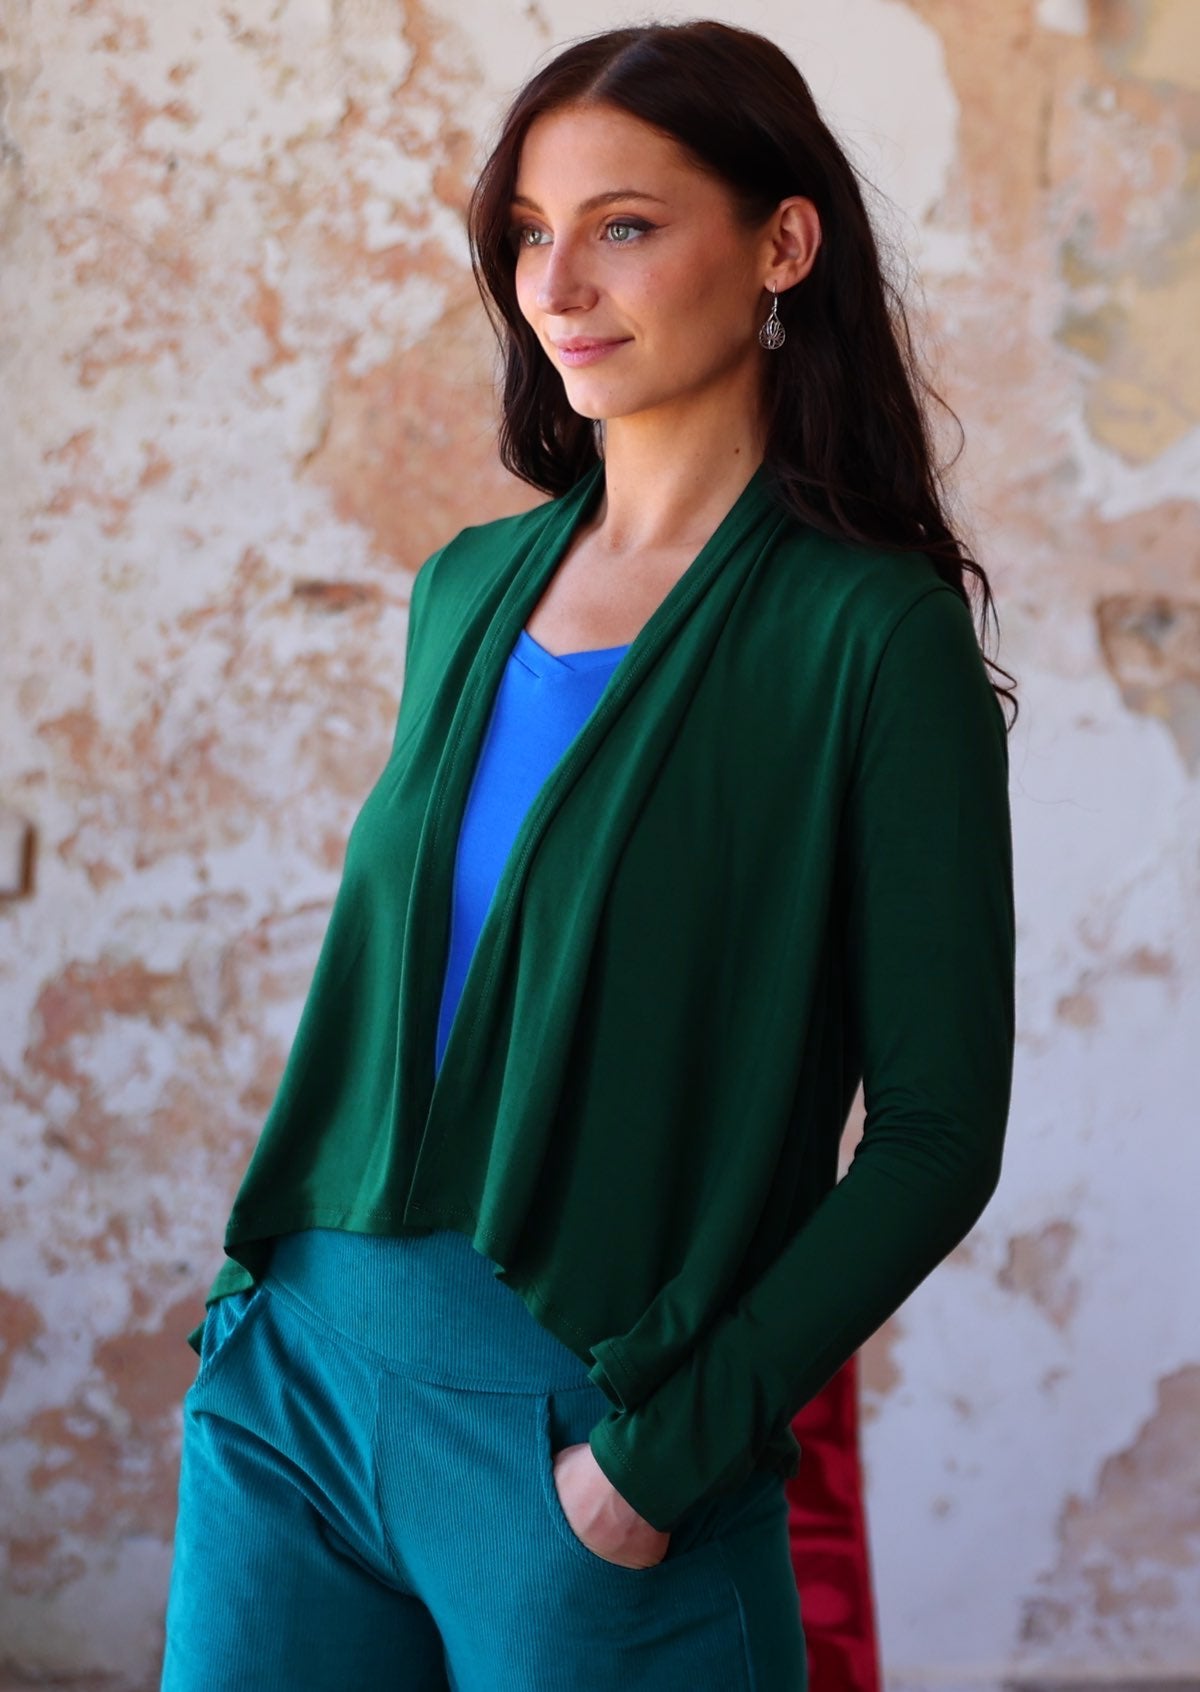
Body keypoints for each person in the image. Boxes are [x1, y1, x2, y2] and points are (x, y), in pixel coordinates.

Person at [159, 18, 1017, 1692]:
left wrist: (648, 1468)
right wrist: (245, 1339)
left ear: (782, 242)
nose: (563, 281)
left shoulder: (870, 639)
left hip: (585, 1451)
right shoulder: (465, 589)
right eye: (531, 234)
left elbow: (933, 1136)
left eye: (625, 224)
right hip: (294, 1402)